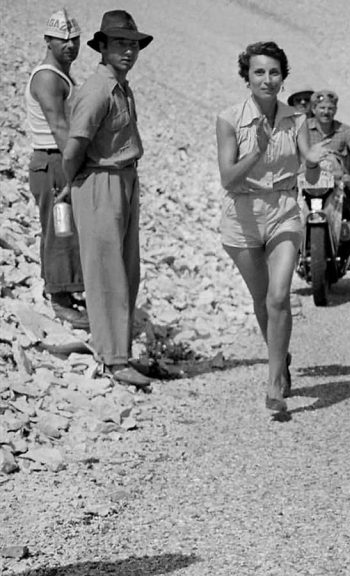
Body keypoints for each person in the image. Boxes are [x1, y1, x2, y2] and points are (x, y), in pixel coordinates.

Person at [215, 41, 325, 415]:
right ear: (246, 76)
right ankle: (282, 357)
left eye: (274, 72)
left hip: (283, 210)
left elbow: (310, 168)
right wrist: (256, 150)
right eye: (259, 71)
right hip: (242, 215)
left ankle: (274, 380)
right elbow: (228, 179)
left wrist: (311, 162)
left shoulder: (296, 119)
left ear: (283, 77)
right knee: (262, 300)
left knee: (278, 297)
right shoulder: (229, 119)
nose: (267, 79)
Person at [62, 10, 156, 387]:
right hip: (100, 181)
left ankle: (121, 352)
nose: (129, 51)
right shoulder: (97, 89)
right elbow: (75, 146)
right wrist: (72, 185)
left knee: (125, 271)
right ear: (101, 47)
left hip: (123, 179)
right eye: (120, 43)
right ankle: (113, 359)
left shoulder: (121, 86)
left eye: (133, 45)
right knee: (106, 274)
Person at [25, 8, 88, 329]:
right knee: (60, 226)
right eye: (62, 40)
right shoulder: (48, 76)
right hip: (54, 162)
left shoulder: (60, 74)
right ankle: (61, 299)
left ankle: (67, 287)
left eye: (74, 39)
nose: (70, 45)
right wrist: (75, 169)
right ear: (47, 41)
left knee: (64, 225)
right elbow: (60, 127)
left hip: (57, 160)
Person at [305, 90, 350, 273]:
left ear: (335, 109)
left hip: (341, 182)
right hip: (307, 182)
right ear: (313, 109)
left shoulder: (345, 130)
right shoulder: (302, 129)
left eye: (330, 108)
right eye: (321, 108)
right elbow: (288, 149)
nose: (326, 112)